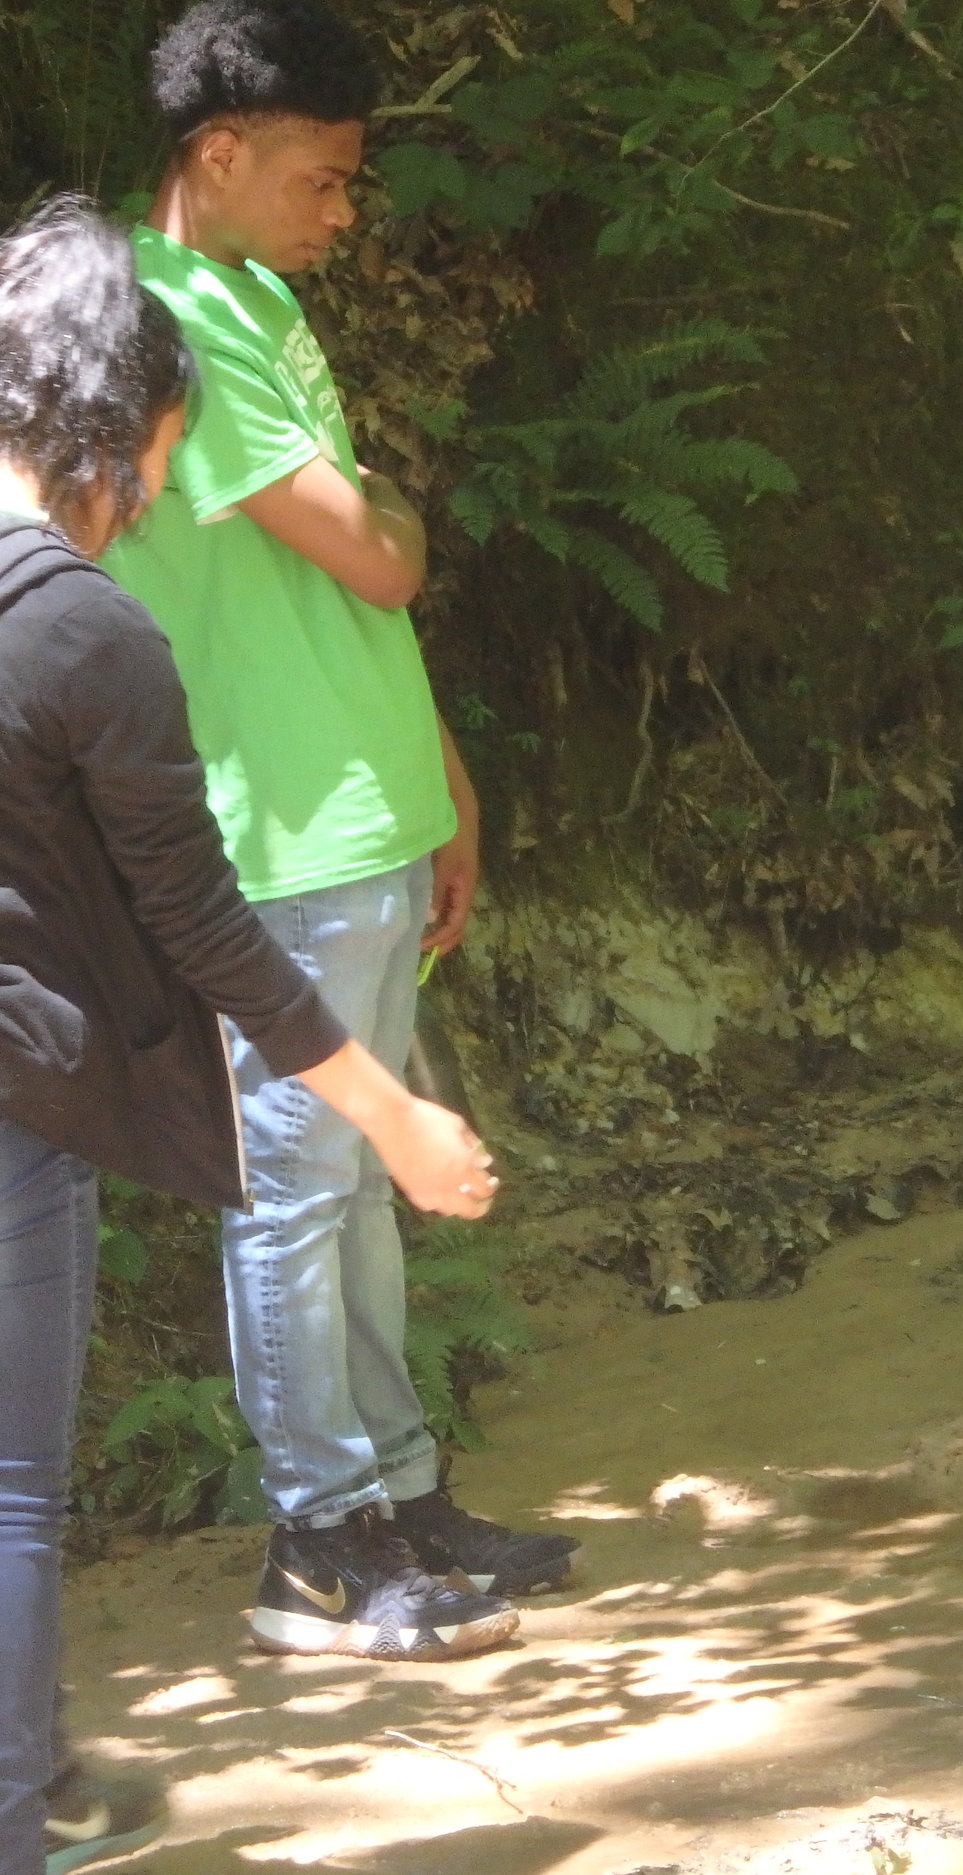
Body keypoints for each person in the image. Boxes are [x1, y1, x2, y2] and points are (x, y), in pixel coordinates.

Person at [0, 200, 511, 1875]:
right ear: (111, 434)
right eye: (157, 458)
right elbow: (208, 929)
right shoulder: (86, 631)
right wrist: (400, 1121)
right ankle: (29, 1808)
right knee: (13, 1482)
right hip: (20, 1103)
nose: (154, 497)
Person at [101, 0, 578, 1654]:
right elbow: (374, 557)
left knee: (360, 1185)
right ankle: (315, 1546)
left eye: (353, 182)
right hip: (281, 827)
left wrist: (440, 768)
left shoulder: (254, 306)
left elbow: (359, 583)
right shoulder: (162, 317)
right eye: (321, 178)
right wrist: (403, 526)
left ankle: (399, 1493)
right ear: (216, 156)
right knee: (299, 1188)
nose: (342, 213)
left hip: (364, 804)